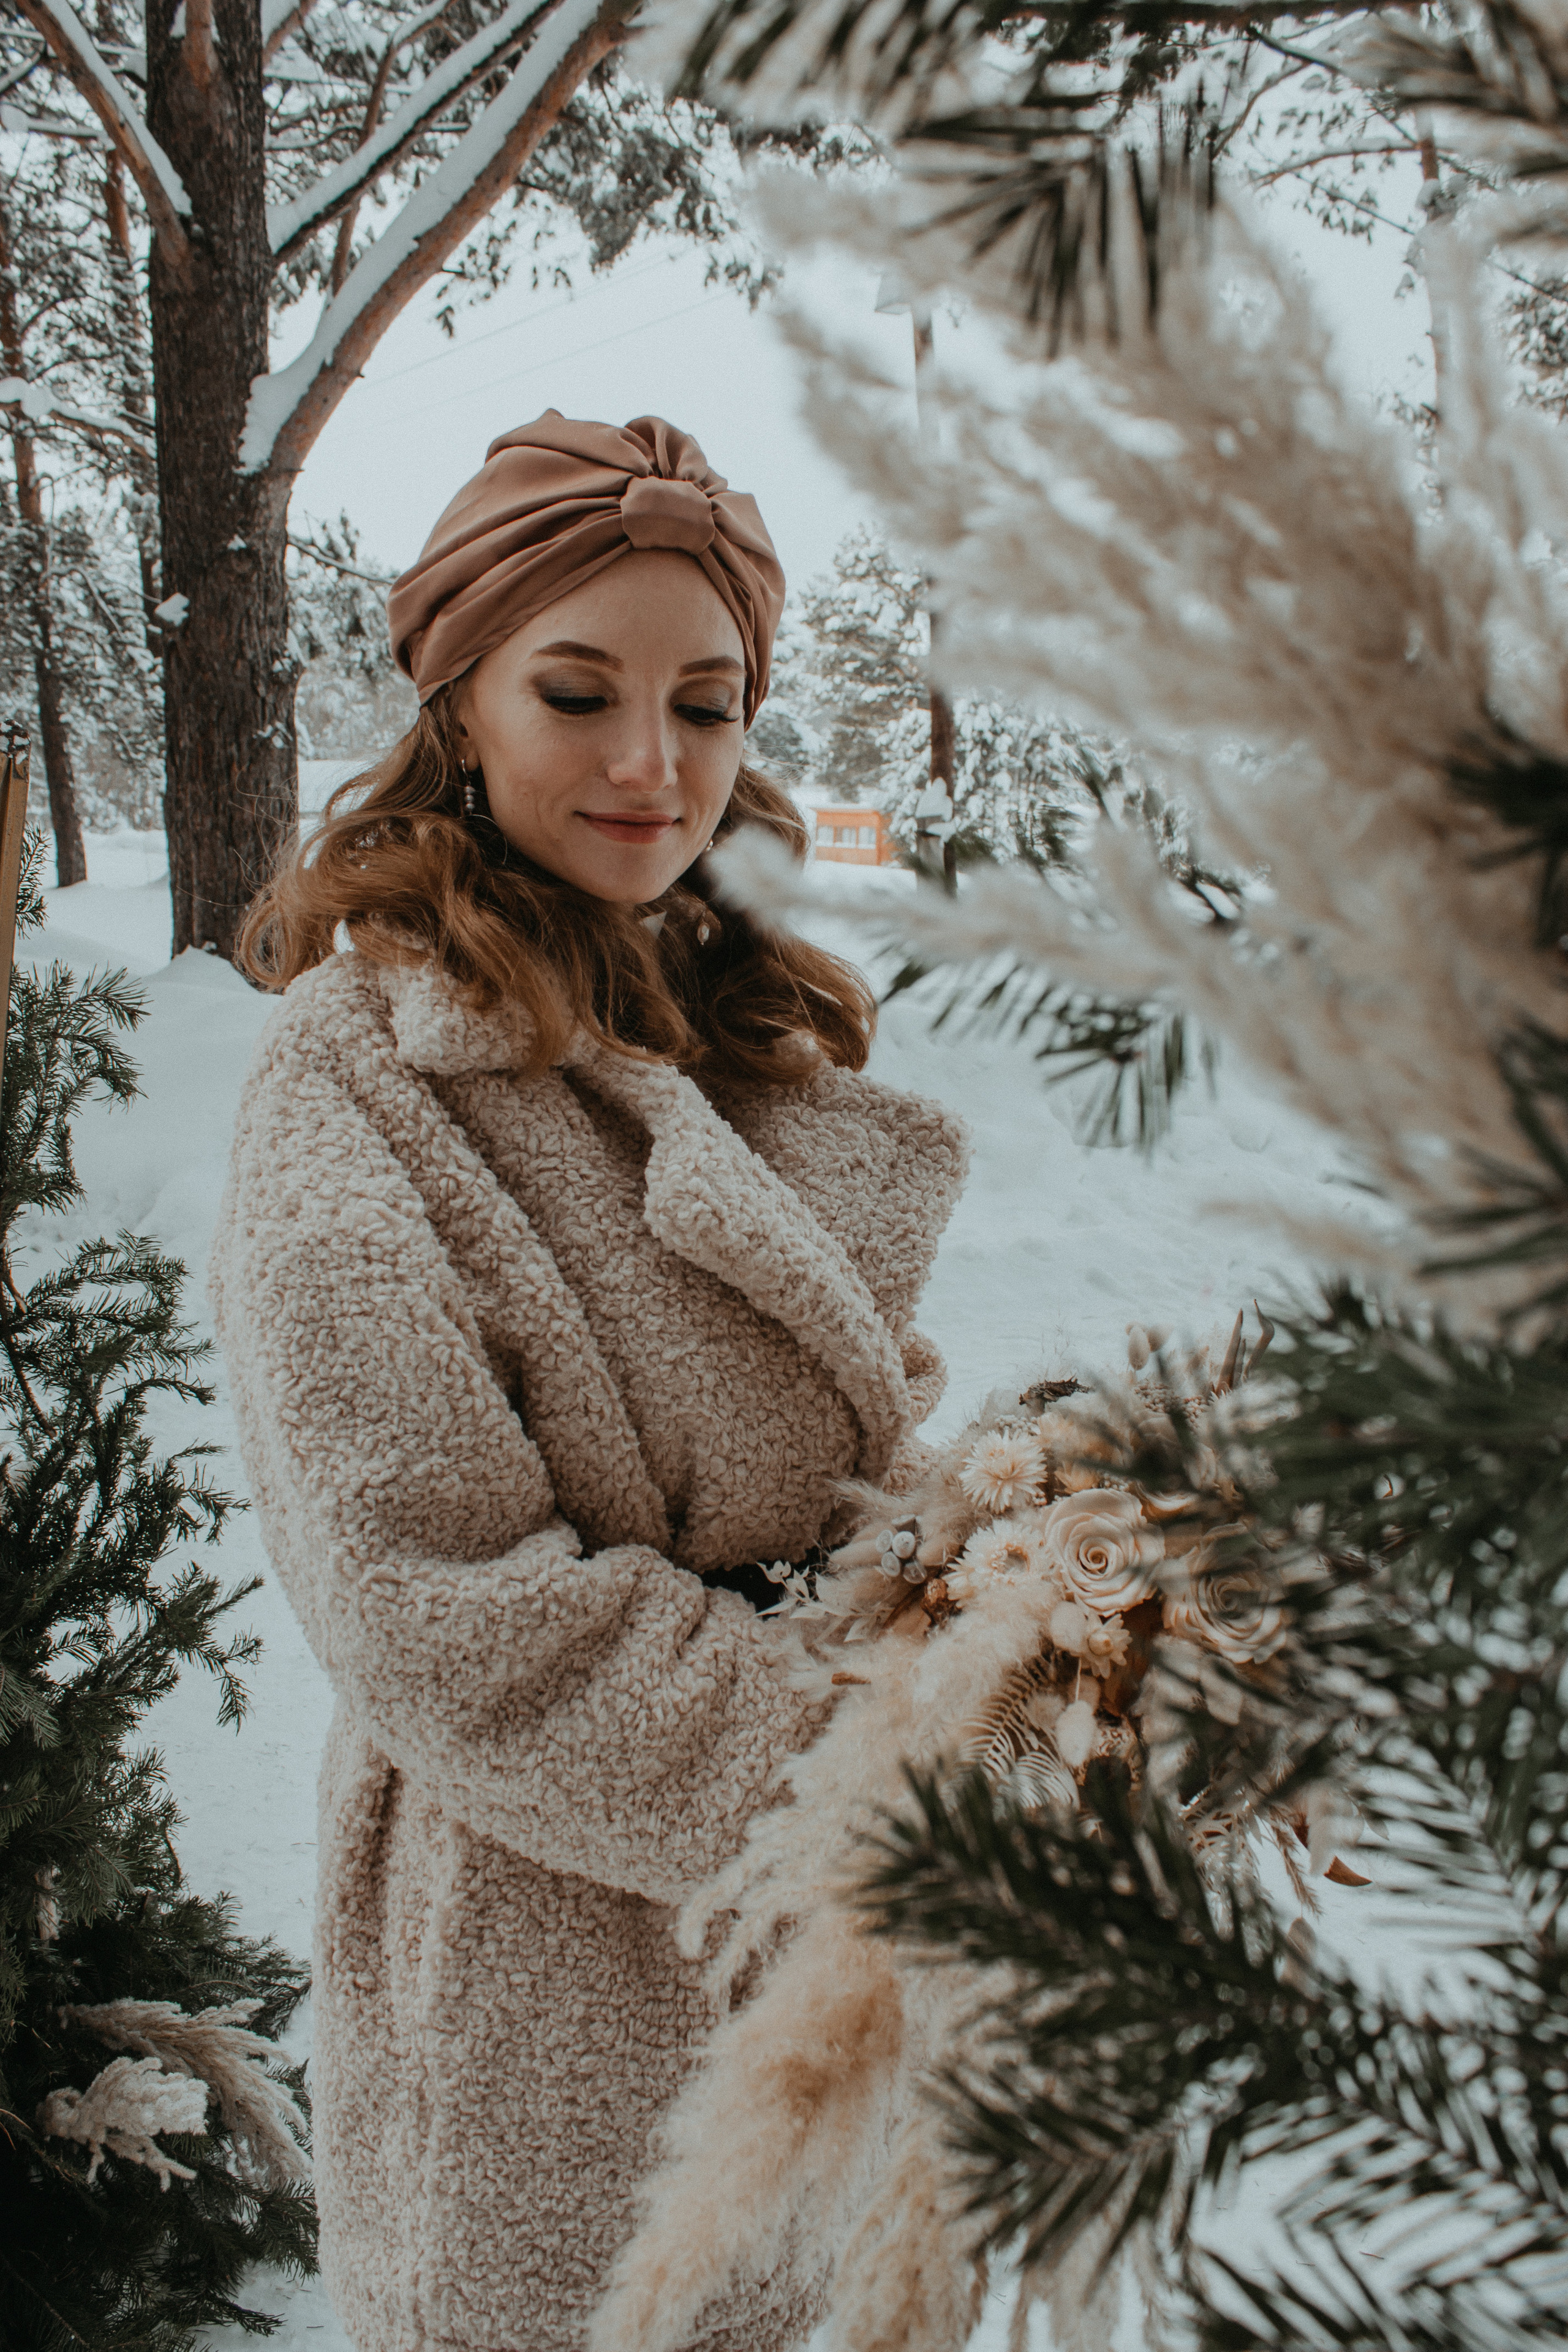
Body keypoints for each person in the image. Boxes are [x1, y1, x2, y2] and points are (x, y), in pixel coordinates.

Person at [213, 412, 968, 2352]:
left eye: (707, 706)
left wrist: (1005, 1595)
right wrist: (862, 1763)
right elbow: (441, 1601)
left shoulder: (732, 1026)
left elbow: (828, 1442)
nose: (655, 766)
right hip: (550, 1943)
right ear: (460, 702)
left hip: (810, 1947)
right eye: (581, 692)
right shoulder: (358, 1073)